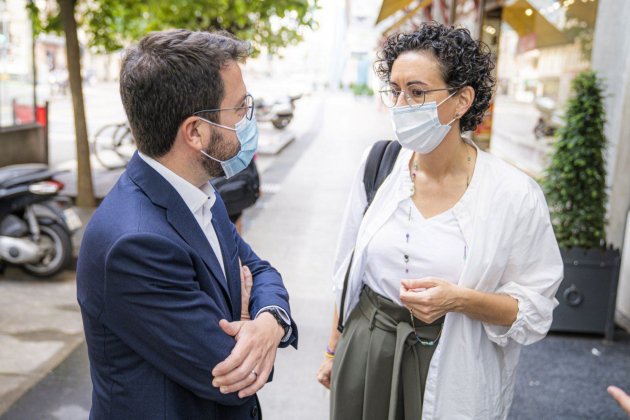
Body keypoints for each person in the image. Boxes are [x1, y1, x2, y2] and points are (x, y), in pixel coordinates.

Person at [317, 22, 563, 419]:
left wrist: (460, 300)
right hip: (367, 350)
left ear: (461, 100)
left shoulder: (513, 195)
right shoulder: (379, 165)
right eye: (394, 91)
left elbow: (534, 309)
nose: (399, 105)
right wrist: (333, 349)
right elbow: (348, 269)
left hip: (455, 362)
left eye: (416, 92)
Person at [77, 30, 298, 419]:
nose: (250, 118)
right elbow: (234, 375)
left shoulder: (199, 195)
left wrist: (268, 321)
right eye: (240, 107)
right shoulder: (136, 243)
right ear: (195, 131)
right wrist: (247, 318)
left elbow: (261, 271)